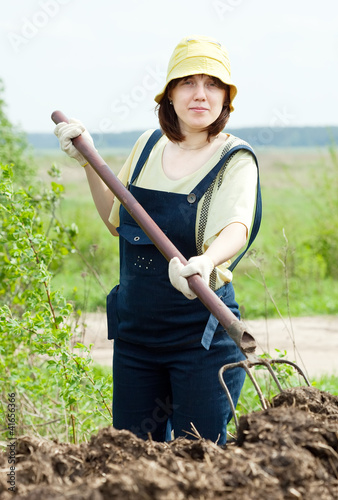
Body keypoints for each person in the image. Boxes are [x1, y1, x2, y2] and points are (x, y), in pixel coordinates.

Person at [54, 35, 261, 446]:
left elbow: (235, 226)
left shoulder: (234, 159)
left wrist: (206, 261)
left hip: (200, 342)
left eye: (212, 84)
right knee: (130, 458)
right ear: (169, 94)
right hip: (136, 338)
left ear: (226, 97)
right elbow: (116, 220)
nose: (200, 94)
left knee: (196, 459)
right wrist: (88, 163)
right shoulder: (148, 147)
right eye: (187, 82)